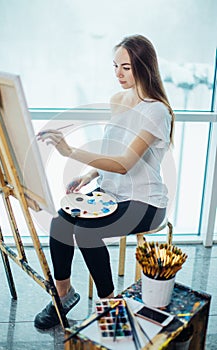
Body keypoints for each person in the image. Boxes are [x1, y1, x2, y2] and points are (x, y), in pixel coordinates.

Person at [34, 34, 175, 329]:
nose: (118, 74)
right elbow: (114, 152)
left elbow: (124, 164)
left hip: (145, 201)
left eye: (126, 67)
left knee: (86, 233)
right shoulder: (117, 100)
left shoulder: (156, 111)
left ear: (144, 67)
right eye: (115, 66)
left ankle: (110, 305)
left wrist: (70, 151)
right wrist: (89, 174)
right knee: (60, 223)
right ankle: (63, 296)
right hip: (112, 193)